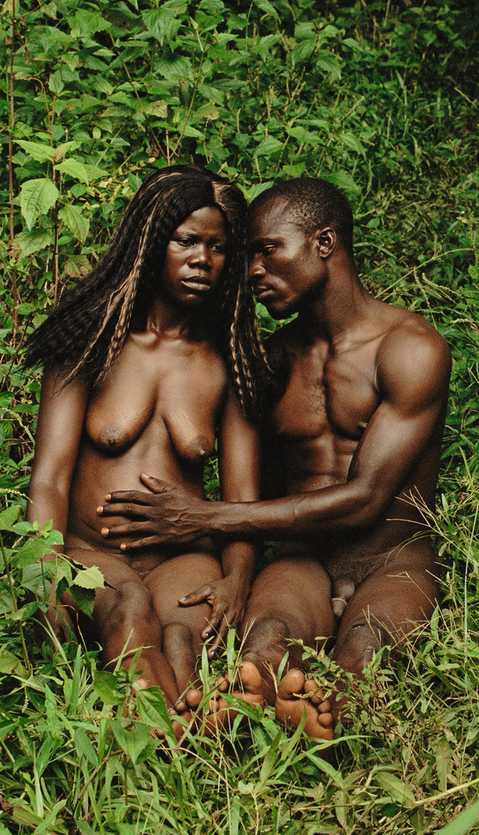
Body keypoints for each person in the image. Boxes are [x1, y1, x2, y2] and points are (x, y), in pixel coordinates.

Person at [94, 177, 451, 739]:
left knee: (365, 648)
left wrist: (205, 517)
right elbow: (249, 480)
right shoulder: (271, 360)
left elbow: (365, 499)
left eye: (268, 251)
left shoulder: (410, 349)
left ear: (323, 244)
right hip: (301, 558)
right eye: (248, 258)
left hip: (389, 558)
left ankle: (325, 718)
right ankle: (248, 701)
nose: (252, 271)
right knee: (265, 639)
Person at [23, 165, 270, 729]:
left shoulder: (229, 360)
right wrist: (44, 568)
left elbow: (243, 499)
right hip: (92, 552)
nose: (202, 259)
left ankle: (179, 741)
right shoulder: (92, 339)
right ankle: (169, 738)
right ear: (151, 241)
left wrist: (236, 578)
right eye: (186, 240)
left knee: (182, 638)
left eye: (218, 248)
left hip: (183, 559)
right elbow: (50, 477)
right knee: (130, 610)